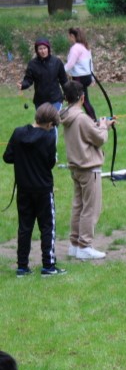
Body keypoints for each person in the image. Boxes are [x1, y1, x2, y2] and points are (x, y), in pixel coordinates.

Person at [3, 103, 66, 277]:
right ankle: (48, 265)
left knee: (25, 227)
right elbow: (50, 162)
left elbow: (7, 157)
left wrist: (22, 159)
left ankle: (22, 266)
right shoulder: (48, 138)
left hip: (24, 189)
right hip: (43, 189)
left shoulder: (18, 133)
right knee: (47, 226)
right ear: (48, 123)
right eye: (52, 125)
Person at [60, 80, 115, 260]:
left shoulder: (66, 114)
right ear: (82, 98)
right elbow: (99, 139)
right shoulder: (82, 118)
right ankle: (84, 245)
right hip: (88, 169)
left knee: (79, 206)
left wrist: (100, 125)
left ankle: (75, 245)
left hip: (76, 168)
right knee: (90, 208)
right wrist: (104, 126)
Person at [17, 37, 68, 112]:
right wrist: (23, 85)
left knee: (53, 123)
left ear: (48, 48)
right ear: (37, 50)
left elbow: (64, 80)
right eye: (40, 49)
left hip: (55, 99)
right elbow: (28, 80)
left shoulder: (57, 62)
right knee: (41, 123)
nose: (43, 51)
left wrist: (67, 93)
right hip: (40, 101)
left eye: (45, 48)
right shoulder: (32, 64)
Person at [64, 27, 96, 121]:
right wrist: (92, 77)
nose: (68, 38)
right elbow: (91, 63)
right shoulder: (85, 46)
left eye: (69, 36)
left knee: (82, 100)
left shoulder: (75, 48)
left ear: (72, 36)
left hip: (79, 78)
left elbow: (70, 64)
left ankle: (93, 120)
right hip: (87, 76)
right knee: (82, 100)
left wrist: (60, 71)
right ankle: (87, 119)